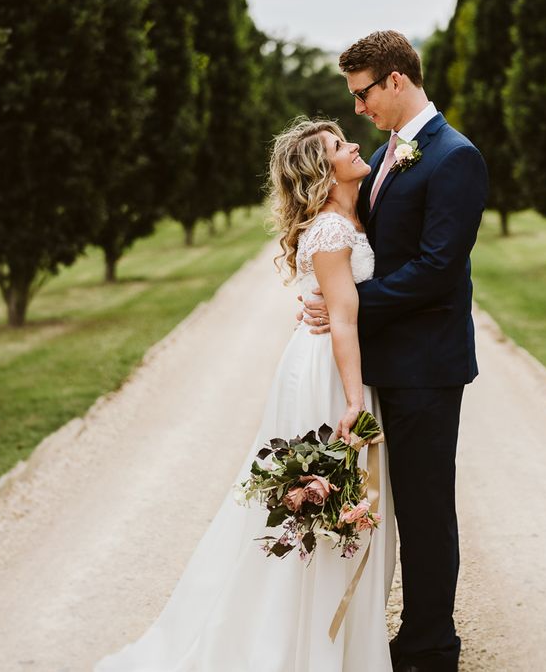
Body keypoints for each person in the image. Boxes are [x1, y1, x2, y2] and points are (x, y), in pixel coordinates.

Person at [94, 118, 396, 672]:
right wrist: (353, 402)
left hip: (331, 363)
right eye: (338, 146)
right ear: (322, 174)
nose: (354, 144)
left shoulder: (352, 217)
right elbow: (345, 322)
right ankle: (301, 646)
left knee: (326, 503)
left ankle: (328, 640)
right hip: (330, 373)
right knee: (322, 501)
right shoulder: (331, 231)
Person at [300, 30, 488, 672]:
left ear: (397, 81)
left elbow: (437, 269)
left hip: (428, 368)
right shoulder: (388, 153)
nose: (357, 108)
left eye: (362, 93)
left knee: (426, 507)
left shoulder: (454, 157)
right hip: (388, 365)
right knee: (388, 503)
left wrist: (348, 305)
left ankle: (432, 646)